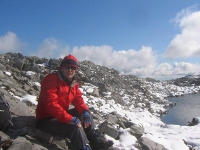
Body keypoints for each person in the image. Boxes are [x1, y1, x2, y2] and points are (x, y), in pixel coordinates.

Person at [35, 54, 113, 150]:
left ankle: (95, 141)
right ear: (62, 68)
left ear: (76, 70)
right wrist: (70, 119)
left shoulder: (73, 83)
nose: (70, 70)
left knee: (85, 112)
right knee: (74, 128)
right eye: (67, 67)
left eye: (73, 68)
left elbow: (78, 99)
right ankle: (84, 147)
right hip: (46, 120)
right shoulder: (51, 80)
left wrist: (84, 111)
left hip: (60, 116)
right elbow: (51, 104)